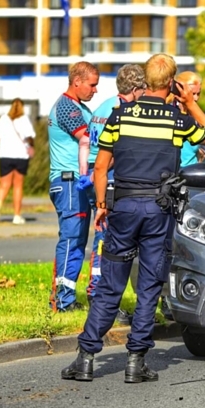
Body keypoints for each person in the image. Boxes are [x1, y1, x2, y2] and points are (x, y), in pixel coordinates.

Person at [62, 53, 205, 383]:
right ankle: (136, 361)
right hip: (158, 211)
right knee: (149, 285)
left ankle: (86, 357)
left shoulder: (120, 116)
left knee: (111, 283)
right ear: (172, 83)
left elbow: (102, 166)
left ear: (146, 81)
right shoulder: (177, 121)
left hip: (123, 207)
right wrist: (190, 102)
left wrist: (103, 204)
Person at [85, 64, 147, 307]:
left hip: (94, 175)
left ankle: (97, 291)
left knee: (102, 236)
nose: (144, 93)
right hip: (107, 178)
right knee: (109, 240)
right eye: (142, 89)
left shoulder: (102, 106)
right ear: (134, 89)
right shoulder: (121, 110)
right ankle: (99, 295)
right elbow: (110, 156)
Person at [48, 61, 99, 313]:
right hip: (69, 181)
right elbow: (86, 139)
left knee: (77, 240)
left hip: (74, 182)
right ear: (76, 81)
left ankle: (65, 297)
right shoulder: (68, 107)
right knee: (71, 239)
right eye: (92, 84)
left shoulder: (81, 107)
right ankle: (62, 300)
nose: (95, 90)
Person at [0, 98, 35, 225]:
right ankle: (16, 216)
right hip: (21, 155)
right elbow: (29, 136)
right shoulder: (24, 119)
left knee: (4, 184)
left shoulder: (4, 119)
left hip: (5, 155)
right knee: (18, 186)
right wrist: (32, 146)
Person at [176, 71, 205, 167]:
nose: (196, 98)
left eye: (198, 94)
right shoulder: (171, 114)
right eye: (192, 94)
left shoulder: (196, 115)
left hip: (194, 174)